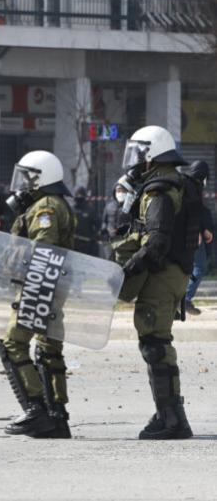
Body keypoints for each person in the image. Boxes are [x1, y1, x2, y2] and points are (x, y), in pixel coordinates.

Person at [117, 125, 200, 440]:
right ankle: (167, 412)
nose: (134, 161)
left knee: (155, 344)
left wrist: (127, 269)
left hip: (162, 274)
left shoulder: (159, 190)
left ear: (151, 155)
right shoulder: (173, 182)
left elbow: (157, 242)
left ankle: (172, 420)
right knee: (156, 342)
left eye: (138, 153)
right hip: (173, 273)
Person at [0, 150, 75, 439]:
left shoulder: (46, 208)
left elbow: (44, 251)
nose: (23, 183)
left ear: (42, 178)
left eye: (28, 177)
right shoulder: (54, 203)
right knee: (48, 349)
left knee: (11, 344)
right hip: (52, 287)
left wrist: (31, 284)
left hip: (39, 287)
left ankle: (35, 410)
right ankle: (56, 417)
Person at [180, 161, 213, 316]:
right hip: (192, 233)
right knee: (199, 267)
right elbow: (190, 212)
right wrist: (198, 231)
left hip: (191, 232)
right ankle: (185, 299)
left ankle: (182, 299)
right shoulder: (191, 187)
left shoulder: (190, 185)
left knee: (190, 267)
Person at [73, 187, 100, 257]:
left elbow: (98, 224)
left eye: (80, 195)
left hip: (87, 244)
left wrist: (93, 237)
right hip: (74, 243)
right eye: (77, 195)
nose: (78, 197)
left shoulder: (90, 210)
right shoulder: (71, 209)